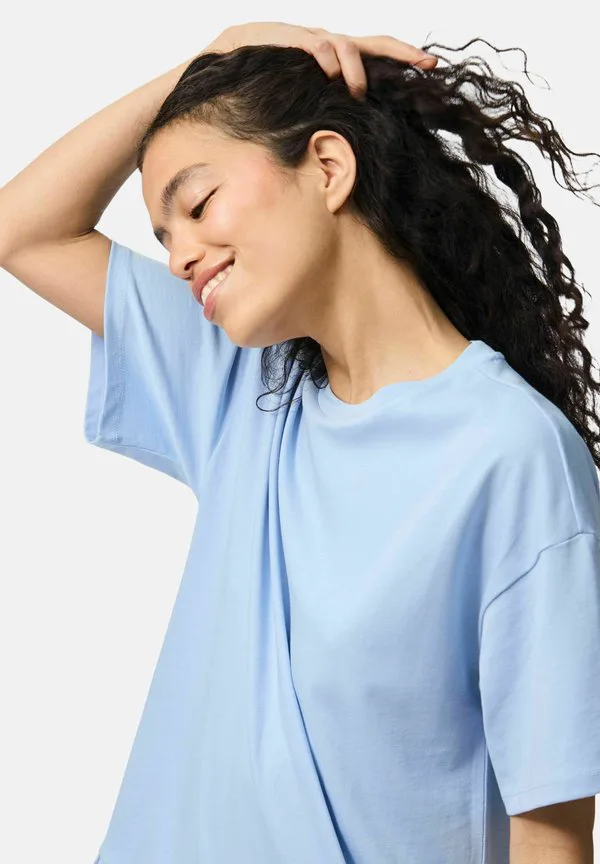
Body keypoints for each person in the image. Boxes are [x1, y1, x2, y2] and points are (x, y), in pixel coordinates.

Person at [1, 20, 599, 864]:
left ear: (327, 166)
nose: (177, 258)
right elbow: (24, 230)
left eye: (197, 206)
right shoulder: (245, 388)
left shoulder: (513, 456)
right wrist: (207, 63)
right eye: (164, 237)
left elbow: (551, 834)